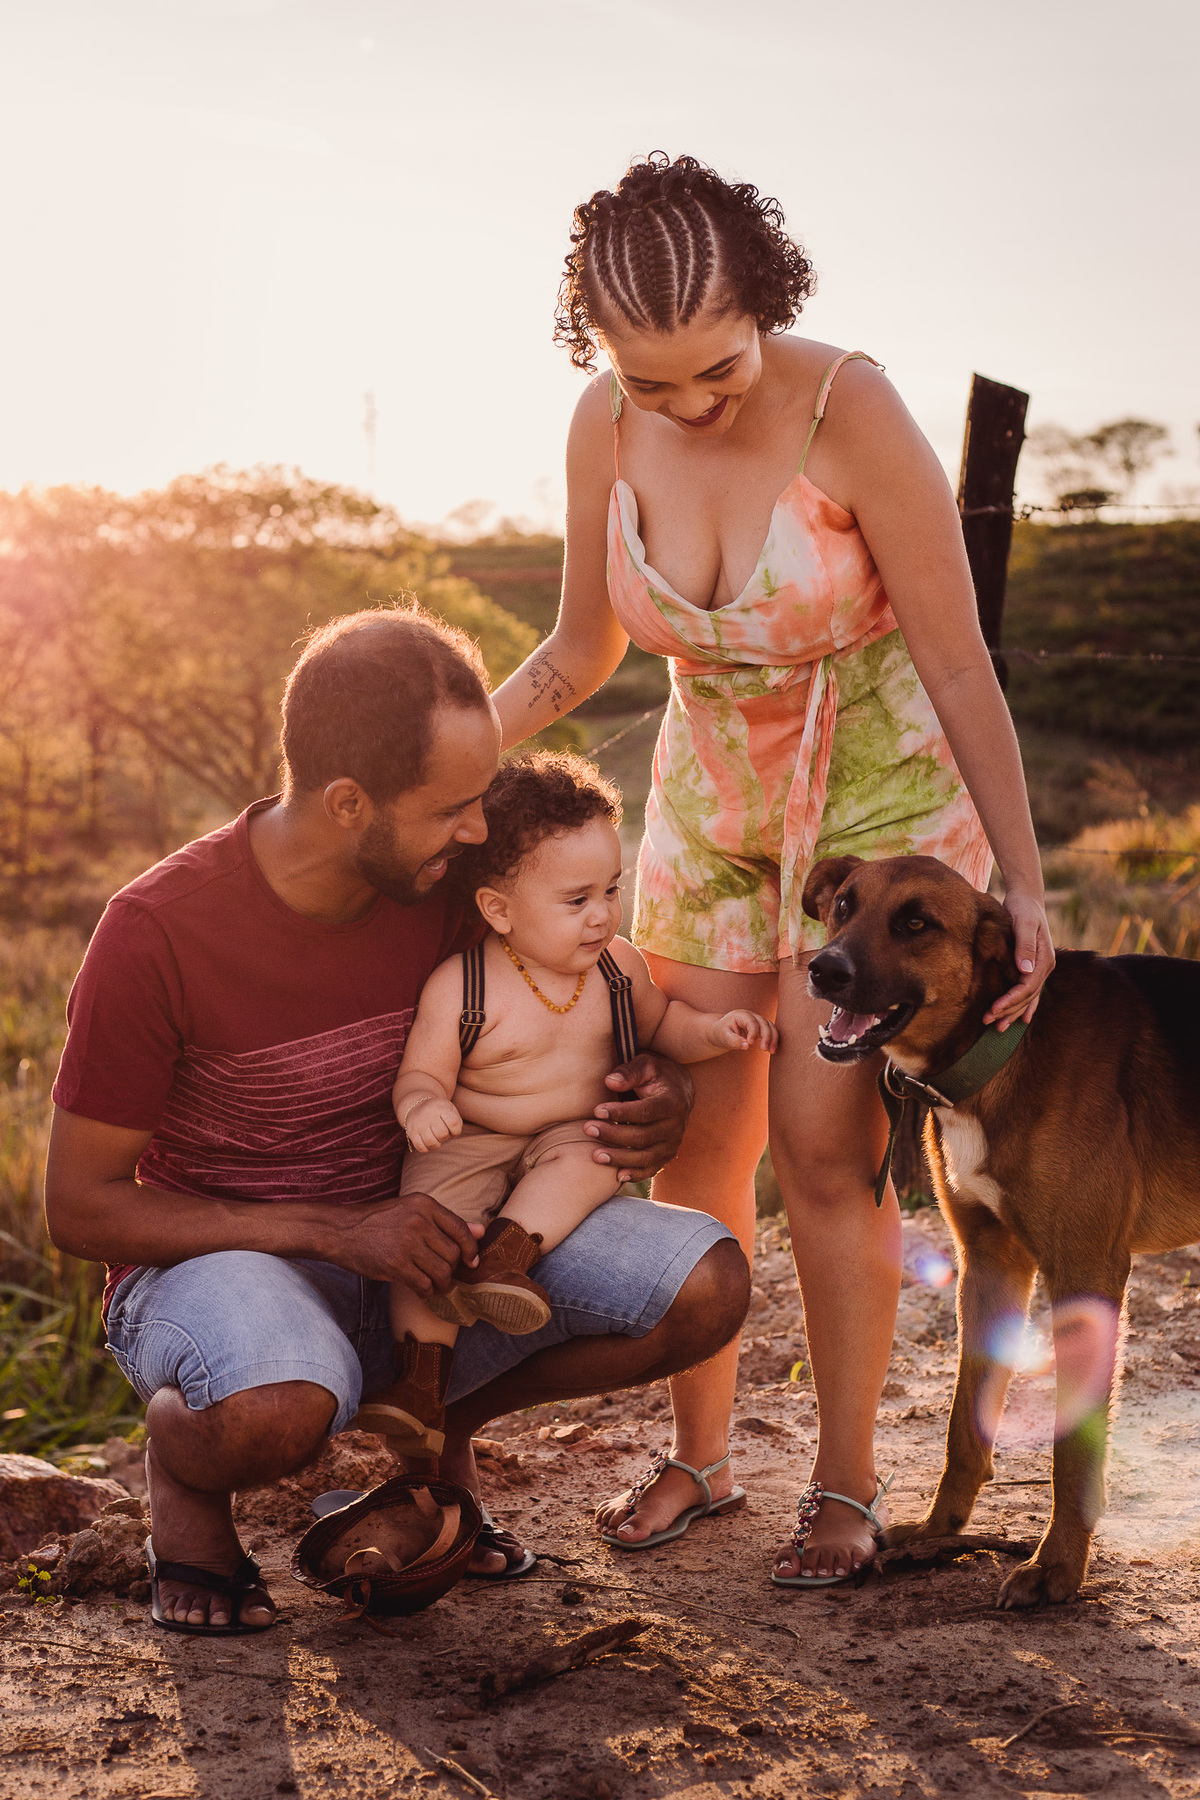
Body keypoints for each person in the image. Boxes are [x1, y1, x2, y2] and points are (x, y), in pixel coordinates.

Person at [491, 153, 1055, 1585]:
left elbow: (954, 656)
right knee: (695, 1138)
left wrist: (1026, 888)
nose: (686, 406)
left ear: (768, 299)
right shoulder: (604, 424)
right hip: (708, 805)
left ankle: (850, 1485)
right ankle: (702, 1460)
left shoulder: (849, 406)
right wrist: (442, 770)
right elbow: (579, 649)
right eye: (650, 380)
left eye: (716, 372)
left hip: (875, 811)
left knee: (819, 1150)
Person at [44, 605, 750, 1634]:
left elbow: (585, 1002)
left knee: (705, 1287)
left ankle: (429, 1433)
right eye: (454, 808)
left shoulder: (451, 883)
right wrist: (331, 1230)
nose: (480, 831)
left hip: (436, 1238)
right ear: (345, 803)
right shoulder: (157, 934)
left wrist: (659, 1088)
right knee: (275, 1412)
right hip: (230, 1261)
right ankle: (186, 1484)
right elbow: (80, 1208)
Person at [357, 750, 776, 1457]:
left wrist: (714, 1031)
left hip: (563, 1136)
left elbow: (660, 1024)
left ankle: (503, 1258)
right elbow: (421, 1074)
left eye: (610, 890)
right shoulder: (465, 987)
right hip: (469, 1141)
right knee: (427, 1244)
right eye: (576, 901)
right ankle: (419, 1382)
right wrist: (423, 1107)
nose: (602, 916)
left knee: (595, 1155)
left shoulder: (619, 968)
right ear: (499, 909)